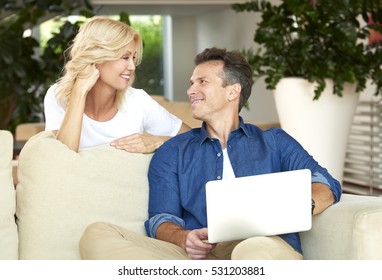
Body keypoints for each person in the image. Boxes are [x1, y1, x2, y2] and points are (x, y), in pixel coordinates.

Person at [79, 47, 341, 260]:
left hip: (261, 244)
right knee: (97, 234)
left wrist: (298, 206)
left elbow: (325, 182)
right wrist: (185, 239)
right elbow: (161, 218)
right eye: (191, 82)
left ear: (232, 91)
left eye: (202, 82)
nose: (191, 90)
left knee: (253, 252)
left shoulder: (274, 141)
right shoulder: (173, 151)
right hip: (199, 252)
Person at [44, 16, 190, 153]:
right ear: (97, 58)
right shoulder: (58, 96)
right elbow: (62, 158)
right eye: (125, 57)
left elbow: (196, 139)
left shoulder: (137, 100)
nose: (132, 66)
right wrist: (79, 92)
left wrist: (158, 141)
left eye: (133, 58)